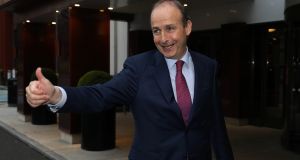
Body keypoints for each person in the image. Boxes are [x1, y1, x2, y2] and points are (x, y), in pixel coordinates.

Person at [26, 0, 234, 159]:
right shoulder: (138, 68)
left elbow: (216, 124)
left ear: (187, 27)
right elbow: (100, 95)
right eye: (156, 31)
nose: (163, 38)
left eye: (170, 28)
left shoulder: (208, 66)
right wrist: (55, 95)